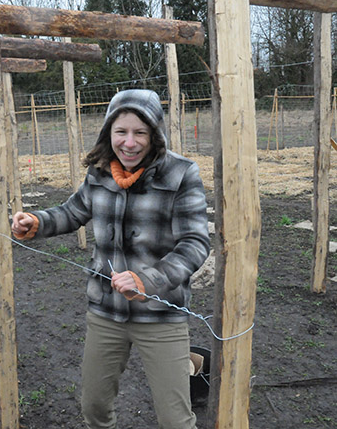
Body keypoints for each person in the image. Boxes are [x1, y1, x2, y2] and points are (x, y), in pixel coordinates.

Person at [11, 89, 210, 428]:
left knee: (175, 420)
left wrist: (148, 280)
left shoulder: (181, 174)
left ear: (155, 135)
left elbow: (195, 243)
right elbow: (73, 212)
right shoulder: (100, 171)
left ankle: (192, 367)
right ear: (109, 133)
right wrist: (37, 222)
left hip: (160, 314)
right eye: (121, 132)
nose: (129, 143)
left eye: (140, 132)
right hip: (106, 311)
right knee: (94, 407)